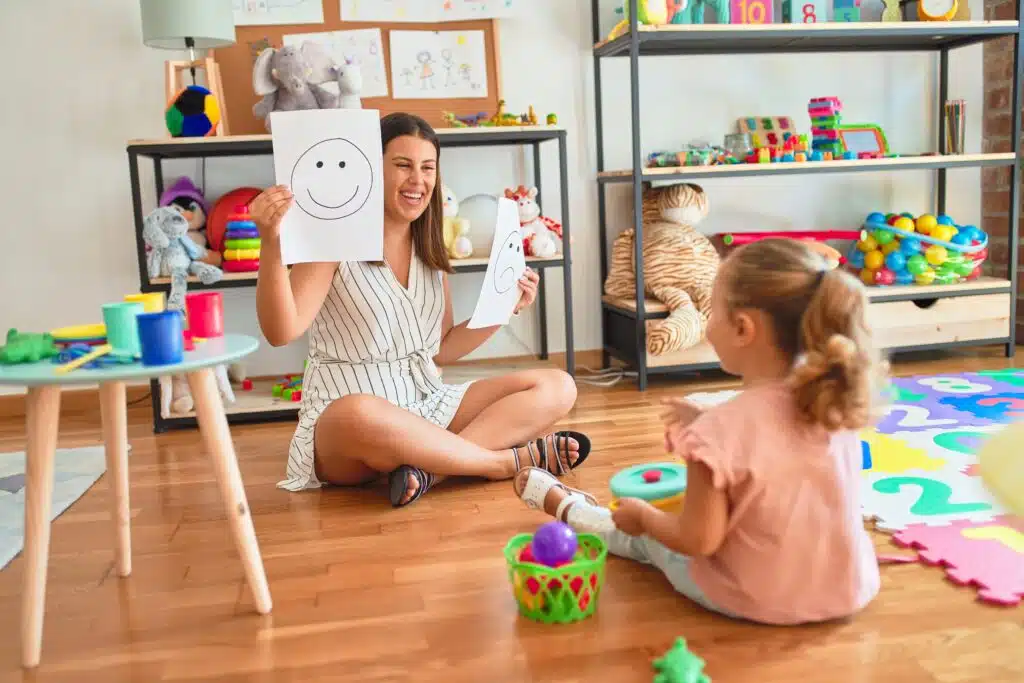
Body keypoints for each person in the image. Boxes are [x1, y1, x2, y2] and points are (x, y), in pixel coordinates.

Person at [513, 238, 887, 625]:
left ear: (743, 328)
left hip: (755, 597)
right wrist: (708, 419)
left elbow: (697, 540)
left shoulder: (720, 432)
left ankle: (571, 509)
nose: (708, 324)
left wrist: (644, 517)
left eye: (712, 310)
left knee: (643, 538)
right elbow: (775, 436)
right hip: (847, 589)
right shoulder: (834, 403)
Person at [251, 112, 591, 507]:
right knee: (358, 411)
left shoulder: (428, 247)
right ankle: (497, 463)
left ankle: (432, 469)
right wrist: (271, 243)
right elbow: (281, 331)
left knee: (557, 385)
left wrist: (507, 306)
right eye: (402, 166)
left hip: (426, 402)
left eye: (427, 168)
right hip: (349, 424)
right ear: (372, 170)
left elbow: (441, 348)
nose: (418, 180)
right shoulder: (333, 240)